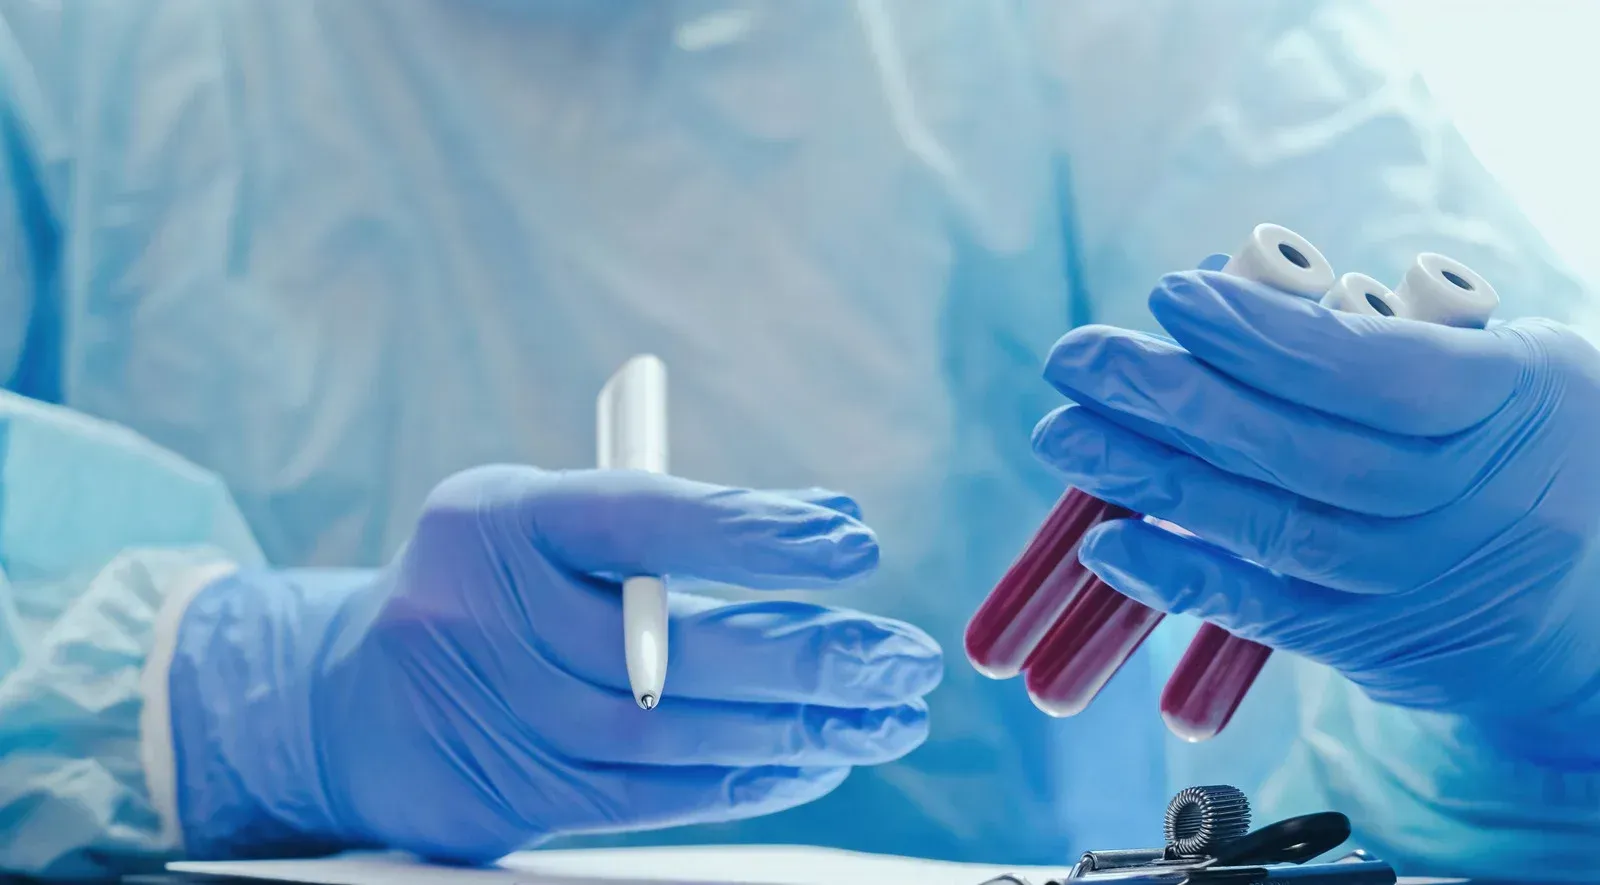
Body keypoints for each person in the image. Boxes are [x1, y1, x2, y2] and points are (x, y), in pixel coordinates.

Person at [1, 0, 1597, 880]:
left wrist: (1566, 639)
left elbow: (1441, 339)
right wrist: (214, 699)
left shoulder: (1150, 45)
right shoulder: (66, 51)